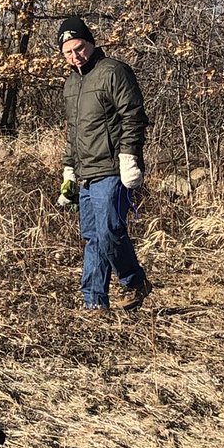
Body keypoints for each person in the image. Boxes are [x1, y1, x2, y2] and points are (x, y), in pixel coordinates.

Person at [54, 16, 153, 312]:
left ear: (91, 43)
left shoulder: (113, 71)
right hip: (85, 172)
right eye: (68, 52)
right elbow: (73, 132)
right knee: (93, 238)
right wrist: (69, 170)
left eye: (79, 48)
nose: (75, 56)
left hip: (112, 169)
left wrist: (129, 157)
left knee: (110, 230)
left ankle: (134, 281)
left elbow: (133, 116)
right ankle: (94, 303)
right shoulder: (71, 83)